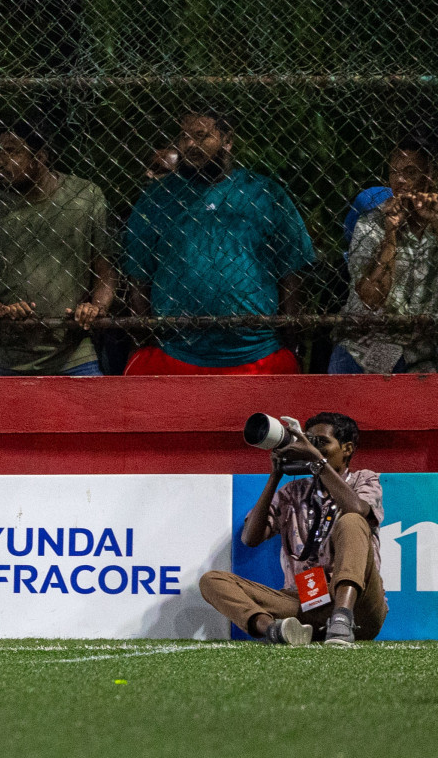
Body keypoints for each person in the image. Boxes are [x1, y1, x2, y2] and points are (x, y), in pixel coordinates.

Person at [123, 109, 315, 375]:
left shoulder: (263, 193)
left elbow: (291, 270)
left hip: (258, 352)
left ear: (226, 140)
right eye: (184, 136)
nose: (190, 144)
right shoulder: (158, 198)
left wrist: (291, 342)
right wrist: (142, 342)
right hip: (176, 350)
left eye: (201, 136)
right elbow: (139, 276)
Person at [201, 412, 386, 646]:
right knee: (212, 581)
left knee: (351, 521)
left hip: (360, 608)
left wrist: (317, 461)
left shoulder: (364, 480)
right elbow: (250, 538)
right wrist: (275, 475)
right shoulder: (293, 492)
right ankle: (275, 630)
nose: (311, 447)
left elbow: (357, 509)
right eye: (307, 440)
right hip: (306, 604)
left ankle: (341, 619)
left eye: (321, 442)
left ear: (347, 449)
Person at [0, 121, 116, 376]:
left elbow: (104, 269)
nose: (0, 160)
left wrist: (96, 307)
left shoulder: (84, 197)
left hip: (73, 354)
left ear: (39, 157)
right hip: (9, 357)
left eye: (12, 151)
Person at [331, 136, 438, 374]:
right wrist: (390, 235)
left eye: (410, 172)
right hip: (363, 354)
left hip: (420, 360)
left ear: (430, 176)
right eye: (394, 172)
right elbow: (371, 297)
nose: (399, 180)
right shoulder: (372, 223)